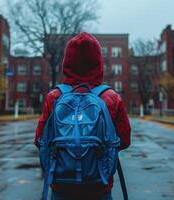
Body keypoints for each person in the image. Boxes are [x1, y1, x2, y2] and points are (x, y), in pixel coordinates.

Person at [35, 32, 131, 200]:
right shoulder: (110, 98)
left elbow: (40, 140)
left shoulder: (55, 97)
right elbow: (124, 140)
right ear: (98, 63)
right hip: (99, 186)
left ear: (67, 63)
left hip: (61, 187)